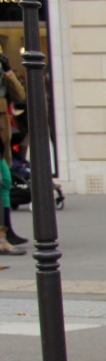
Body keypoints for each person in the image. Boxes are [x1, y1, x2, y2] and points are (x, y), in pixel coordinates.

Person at [0, 50, 27, 254]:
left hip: (3, 141)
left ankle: (7, 232)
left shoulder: (3, 77)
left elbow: (20, 95)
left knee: (6, 181)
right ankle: (3, 238)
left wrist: (8, 71)